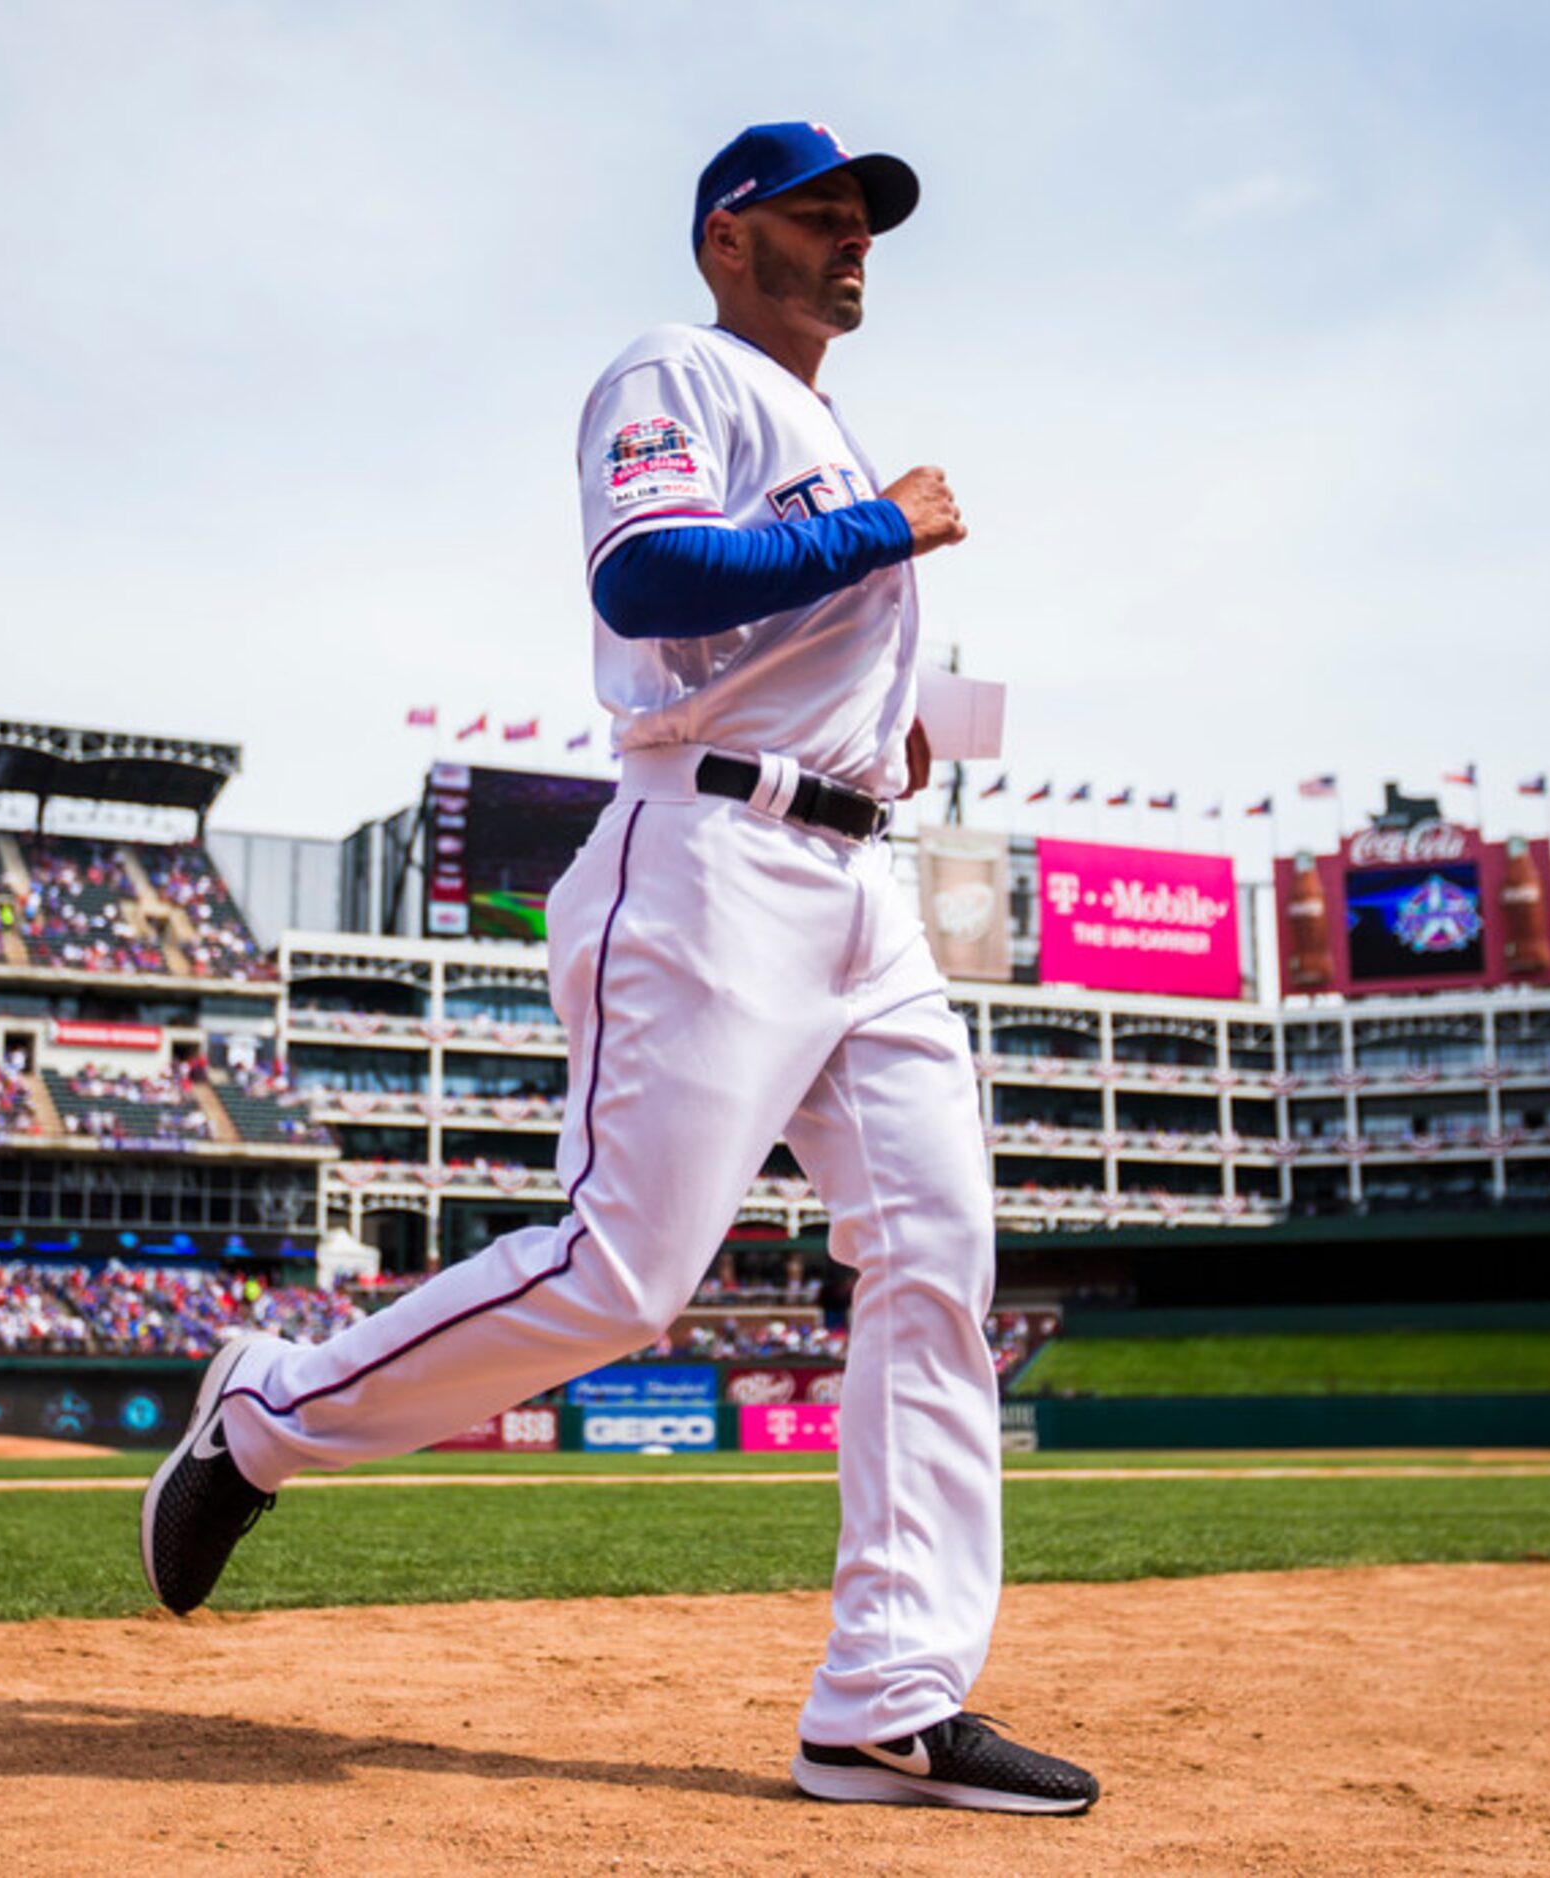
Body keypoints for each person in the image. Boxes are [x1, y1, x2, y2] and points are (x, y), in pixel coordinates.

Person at [140, 120, 1096, 1817]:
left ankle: (888, 1694)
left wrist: (896, 735)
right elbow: (643, 575)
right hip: (706, 859)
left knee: (940, 1257)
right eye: (820, 212)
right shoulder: (677, 369)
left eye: (867, 214)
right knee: (622, 1273)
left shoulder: (828, 423)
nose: (855, 234)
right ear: (731, 242)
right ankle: (266, 1416)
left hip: (856, 881)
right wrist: (876, 530)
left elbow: (776, 651)